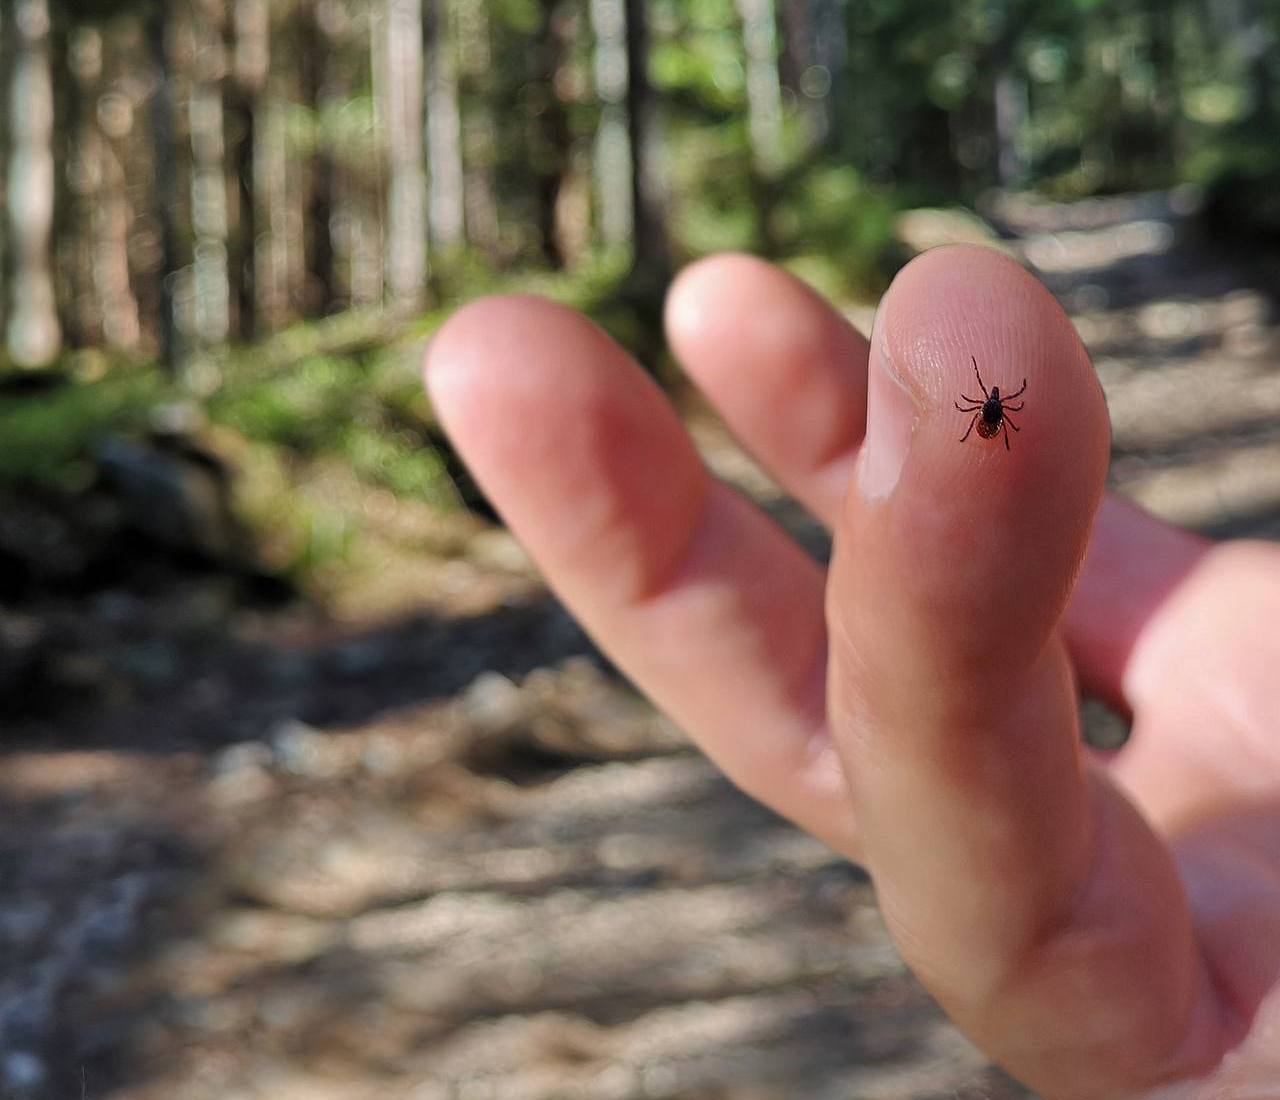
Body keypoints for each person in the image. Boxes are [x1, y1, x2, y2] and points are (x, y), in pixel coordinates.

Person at [424, 244, 1280, 1099]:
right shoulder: (993, 411)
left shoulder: (995, 411)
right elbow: (999, 413)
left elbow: (1001, 412)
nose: (991, 406)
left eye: (989, 403)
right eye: (988, 402)